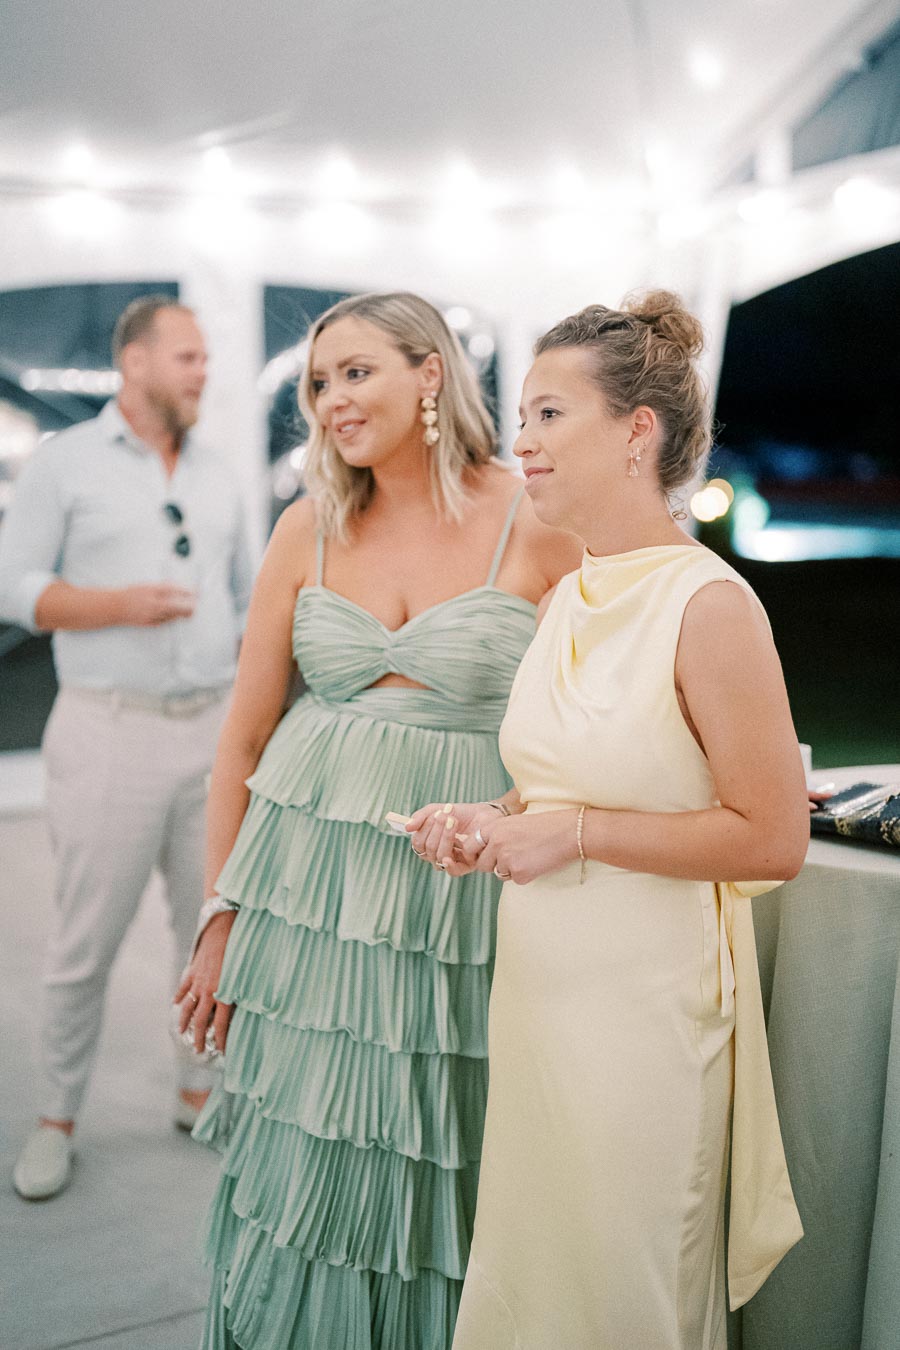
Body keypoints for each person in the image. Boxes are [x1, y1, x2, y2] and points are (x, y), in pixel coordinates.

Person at [175, 290, 581, 1350]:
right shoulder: (307, 528)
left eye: (356, 372)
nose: (331, 401)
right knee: (313, 1145)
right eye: (318, 383)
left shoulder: (534, 516)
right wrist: (222, 913)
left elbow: (600, 719)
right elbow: (242, 744)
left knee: (452, 1146)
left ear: (430, 374)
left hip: (464, 897)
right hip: (311, 897)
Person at [408, 292, 809, 1350]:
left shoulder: (708, 607)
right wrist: (485, 818)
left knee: (623, 1285)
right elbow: (556, 784)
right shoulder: (568, 595)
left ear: (638, 433)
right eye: (523, 416)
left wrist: (573, 835)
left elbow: (772, 837)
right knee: (538, 1270)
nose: (522, 445)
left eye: (548, 415)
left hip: (647, 1008)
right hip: (545, 991)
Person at [0, 296, 255, 1201]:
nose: (202, 371)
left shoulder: (223, 473)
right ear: (134, 362)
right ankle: (55, 1122)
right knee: (83, 944)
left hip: (212, 734)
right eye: (186, 355)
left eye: (204, 356)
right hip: (108, 729)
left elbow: (249, 595)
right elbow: (15, 590)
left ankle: (198, 1094)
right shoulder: (66, 464)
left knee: (207, 933)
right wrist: (118, 605)